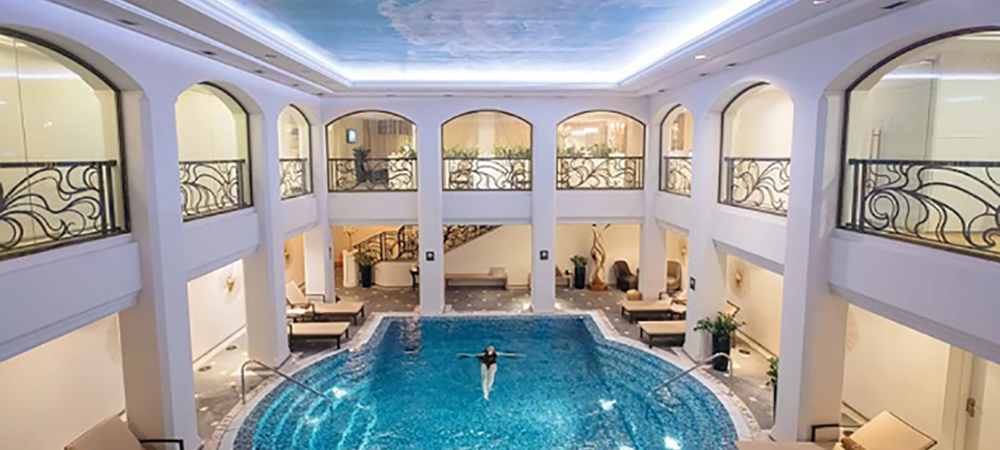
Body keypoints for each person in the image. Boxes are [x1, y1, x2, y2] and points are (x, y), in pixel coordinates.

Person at [457, 346, 523, 400]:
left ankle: (488, 388)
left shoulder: (496, 353)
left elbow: (507, 355)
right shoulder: (483, 354)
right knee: (484, 378)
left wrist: (517, 355)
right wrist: (462, 355)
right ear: (487, 350)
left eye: (491, 349)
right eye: (489, 349)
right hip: (484, 364)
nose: (490, 350)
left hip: (492, 365)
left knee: (491, 376)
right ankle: (485, 393)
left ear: (493, 350)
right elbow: (472, 355)